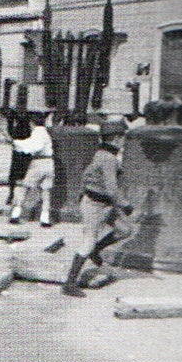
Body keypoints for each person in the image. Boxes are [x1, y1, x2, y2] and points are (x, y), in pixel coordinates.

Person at [62, 119, 133, 297]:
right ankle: (69, 283)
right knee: (88, 241)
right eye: (122, 137)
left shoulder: (103, 154)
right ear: (116, 138)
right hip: (95, 205)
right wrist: (125, 205)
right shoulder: (108, 158)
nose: (124, 140)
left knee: (124, 230)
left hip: (105, 204)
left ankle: (95, 250)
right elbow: (111, 188)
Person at [5, 112, 54, 227]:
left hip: (38, 162)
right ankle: (45, 217)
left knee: (25, 187)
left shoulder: (37, 132)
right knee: (46, 191)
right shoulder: (46, 133)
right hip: (49, 163)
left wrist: (15, 142)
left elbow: (33, 146)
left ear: (32, 123)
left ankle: (16, 214)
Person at [2, 107, 33, 205]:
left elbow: (10, 133)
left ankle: (11, 195)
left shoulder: (16, 128)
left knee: (13, 175)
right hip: (27, 150)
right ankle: (23, 196)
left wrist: (9, 122)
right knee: (27, 174)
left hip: (17, 150)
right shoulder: (28, 128)